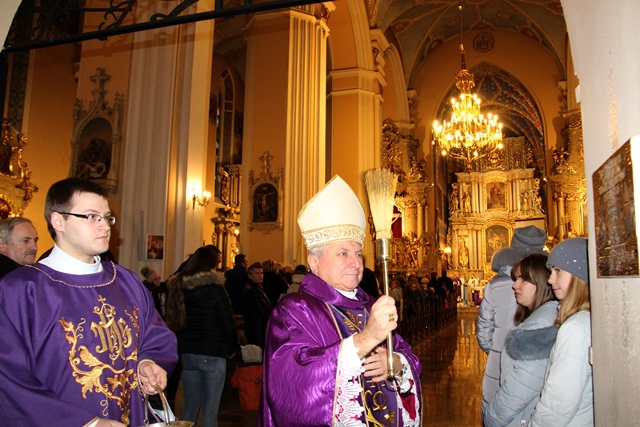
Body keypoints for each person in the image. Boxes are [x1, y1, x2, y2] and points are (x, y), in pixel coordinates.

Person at [0, 177, 177, 427]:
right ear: (58, 221)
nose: (105, 226)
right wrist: (87, 422)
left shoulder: (125, 280)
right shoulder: (20, 289)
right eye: (92, 217)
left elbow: (156, 335)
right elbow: (9, 376)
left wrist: (147, 363)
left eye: (107, 217)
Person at [259, 175, 422, 426]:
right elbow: (290, 382)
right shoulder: (294, 310)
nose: (356, 263)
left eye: (358, 253)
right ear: (314, 262)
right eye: (343, 253)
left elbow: (406, 353)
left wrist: (397, 362)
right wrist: (365, 339)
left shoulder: (370, 304)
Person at [476, 225, 547, 414]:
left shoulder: (495, 284)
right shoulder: (548, 282)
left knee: (496, 411)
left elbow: (483, 330)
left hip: (498, 362)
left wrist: (498, 349)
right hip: (537, 366)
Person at [164, 245, 237, 427]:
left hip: (188, 352)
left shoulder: (179, 288)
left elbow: (172, 321)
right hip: (213, 351)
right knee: (209, 412)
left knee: (189, 409)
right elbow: (228, 323)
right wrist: (231, 348)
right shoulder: (216, 289)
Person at [483, 254, 558, 427]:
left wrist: (490, 418)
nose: (515, 285)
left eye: (523, 279)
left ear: (541, 282)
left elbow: (519, 390)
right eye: (516, 279)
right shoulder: (546, 316)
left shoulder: (537, 327)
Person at [528, 237, 593, 426]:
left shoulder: (576, 328)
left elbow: (557, 404)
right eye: (551, 271)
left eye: (558, 271)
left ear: (579, 275)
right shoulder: (587, 319)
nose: (550, 280)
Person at [231, 344, 263, 427]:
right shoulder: (262, 369)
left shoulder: (239, 370)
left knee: (249, 422)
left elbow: (234, 384)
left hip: (245, 404)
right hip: (260, 403)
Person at [243, 262, 272, 349]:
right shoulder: (253, 291)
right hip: (257, 329)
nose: (260, 276)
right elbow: (263, 312)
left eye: (261, 273)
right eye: (257, 273)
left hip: (259, 328)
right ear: (250, 276)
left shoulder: (258, 289)